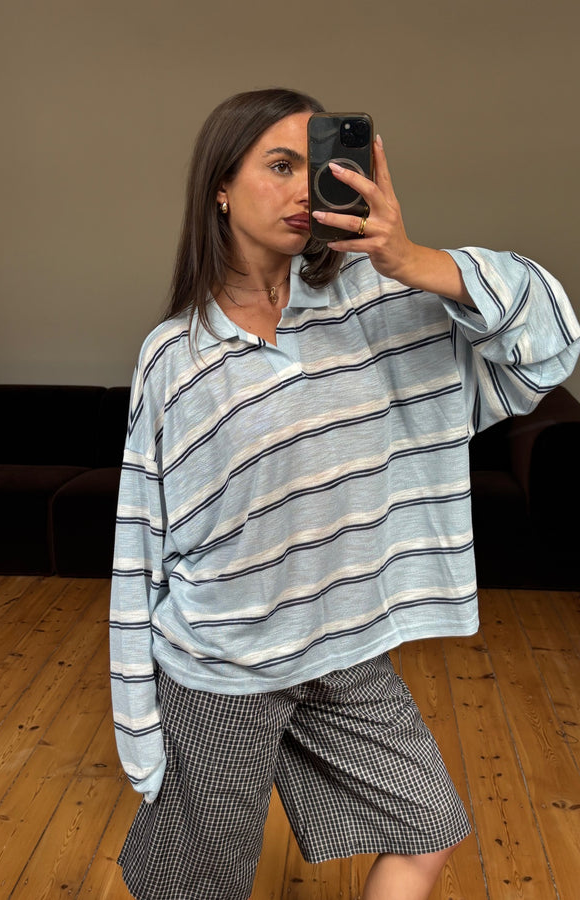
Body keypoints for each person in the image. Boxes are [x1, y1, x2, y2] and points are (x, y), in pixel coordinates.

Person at [109, 88, 580, 900]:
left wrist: (410, 259)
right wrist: (136, 718)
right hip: (224, 667)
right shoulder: (174, 355)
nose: (304, 189)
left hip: (345, 652)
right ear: (220, 187)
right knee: (196, 887)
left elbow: (551, 340)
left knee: (426, 832)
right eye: (279, 166)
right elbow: (140, 541)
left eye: (316, 165)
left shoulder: (379, 304)